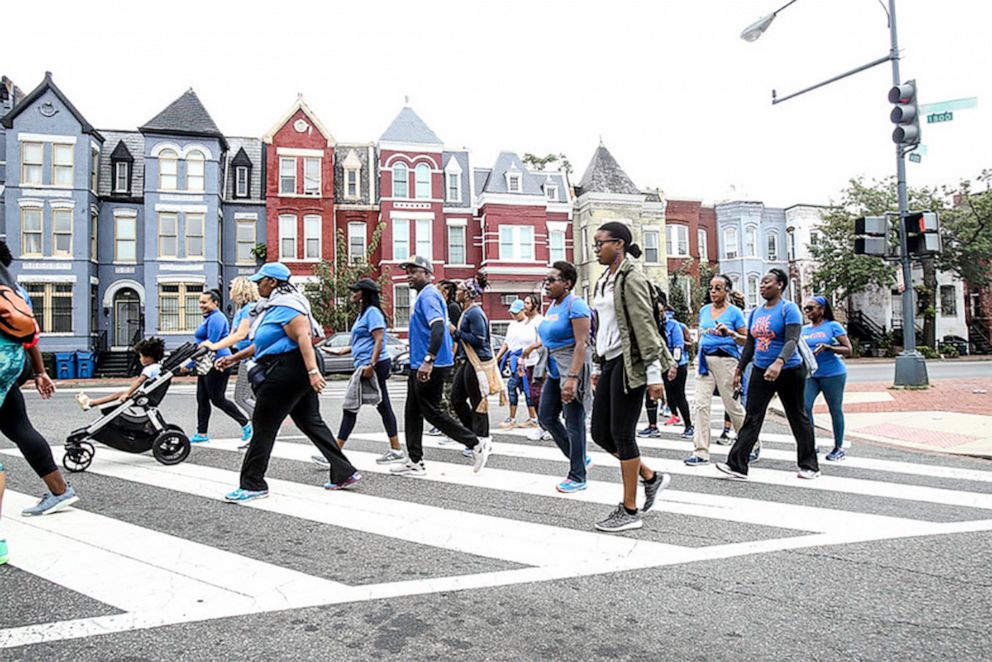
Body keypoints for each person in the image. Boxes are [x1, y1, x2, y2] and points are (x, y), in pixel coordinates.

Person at [216, 262, 360, 501]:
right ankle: (344, 472)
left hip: (289, 370)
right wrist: (233, 358)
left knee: (263, 425)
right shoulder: (273, 307)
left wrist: (313, 372)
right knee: (309, 421)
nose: (257, 284)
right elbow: (262, 344)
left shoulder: (287, 306)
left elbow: (303, 336)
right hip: (292, 368)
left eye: (260, 280)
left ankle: (253, 484)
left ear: (273, 282)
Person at [589, 223, 675, 533]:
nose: (596, 248)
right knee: (600, 433)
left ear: (620, 244)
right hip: (611, 362)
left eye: (601, 243)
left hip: (631, 366)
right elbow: (604, 330)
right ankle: (651, 477)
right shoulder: (604, 280)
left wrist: (654, 376)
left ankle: (629, 509)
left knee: (623, 435)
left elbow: (645, 329)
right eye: (595, 243)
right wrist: (598, 368)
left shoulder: (632, 279)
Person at [389, 255, 491, 476]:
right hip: (420, 363)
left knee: (431, 411)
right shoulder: (428, 296)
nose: (409, 275)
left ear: (427, 274)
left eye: (414, 271)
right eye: (407, 271)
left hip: (430, 365)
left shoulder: (429, 296)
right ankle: (415, 461)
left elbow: (437, 329)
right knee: (412, 412)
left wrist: (429, 360)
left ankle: (475, 442)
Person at [717, 268, 821, 481]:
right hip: (760, 370)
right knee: (752, 416)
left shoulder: (788, 309)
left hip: (789, 370)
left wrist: (779, 362)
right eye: (761, 284)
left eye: (767, 282)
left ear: (780, 285)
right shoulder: (756, 312)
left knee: (797, 416)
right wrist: (739, 370)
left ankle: (809, 465)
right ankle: (737, 465)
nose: (763, 286)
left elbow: (792, 339)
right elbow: (751, 343)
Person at [0, 238, 79, 518]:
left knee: (18, 426)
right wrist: (40, 371)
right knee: (18, 426)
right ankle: (60, 491)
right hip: (14, 365)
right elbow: (31, 335)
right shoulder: (16, 290)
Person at [312, 279, 403, 465]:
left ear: (364, 293)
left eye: (355, 291)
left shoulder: (373, 313)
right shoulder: (364, 314)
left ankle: (334, 454)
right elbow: (362, 343)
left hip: (372, 366)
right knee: (382, 405)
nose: (352, 294)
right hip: (367, 363)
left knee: (351, 407)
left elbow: (379, 340)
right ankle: (396, 450)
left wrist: (371, 364)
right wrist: (340, 351)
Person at [531, 261, 592, 494]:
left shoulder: (575, 305)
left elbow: (581, 343)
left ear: (567, 283)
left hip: (571, 370)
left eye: (552, 280)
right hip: (555, 371)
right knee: (546, 417)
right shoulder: (553, 306)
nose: (546, 284)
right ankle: (579, 457)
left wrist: (573, 378)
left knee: (574, 422)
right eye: (546, 280)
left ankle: (577, 475)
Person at [685, 275, 748, 466]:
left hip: (726, 360)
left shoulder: (735, 313)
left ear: (727, 290)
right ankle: (701, 452)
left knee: (732, 406)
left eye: (718, 288)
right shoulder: (704, 311)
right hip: (704, 361)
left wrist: (730, 333)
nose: (713, 291)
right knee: (701, 405)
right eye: (711, 288)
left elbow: (746, 340)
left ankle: (750, 444)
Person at [199, 277, 260, 447]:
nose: (230, 291)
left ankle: (260, 430)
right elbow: (234, 337)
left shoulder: (249, 310)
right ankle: (259, 431)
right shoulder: (241, 310)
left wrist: (214, 346)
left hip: (251, 358)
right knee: (251, 397)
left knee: (241, 397)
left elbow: (240, 335)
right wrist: (230, 359)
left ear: (240, 290)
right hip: (243, 356)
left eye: (232, 288)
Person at [185, 289, 251, 444]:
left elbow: (211, 344)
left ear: (215, 303)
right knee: (202, 398)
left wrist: (190, 363)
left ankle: (246, 424)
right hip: (205, 363)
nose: (201, 305)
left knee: (218, 399)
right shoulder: (208, 318)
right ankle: (201, 434)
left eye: (204, 302)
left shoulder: (217, 318)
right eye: (200, 302)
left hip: (217, 361)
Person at [802, 295, 852, 461]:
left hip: (833, 374)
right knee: (805, 406)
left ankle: (838, 447)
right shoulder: (804, 330)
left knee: (835, 409)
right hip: (811, 374)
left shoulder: (833, 326)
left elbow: (848, 349)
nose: (807, 311)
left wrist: (830, 347)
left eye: (811, 308)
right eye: (805, 308)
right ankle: (810, 444)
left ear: (822, 310)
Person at [450, 276, 496, 448]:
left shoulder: (475, 313)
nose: (457, 292)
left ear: (468, 294)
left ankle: (483, 439)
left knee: (478, 402)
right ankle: (473, 436)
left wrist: (457, 332)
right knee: (457, 398)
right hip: (467, 360)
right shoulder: (467, 312)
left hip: (477, 361)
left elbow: (479, 339)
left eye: (460, 289)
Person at [75, 337, 165, 410]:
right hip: (148, 396)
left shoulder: (149, 369)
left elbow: (139, 381)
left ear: (149, 357)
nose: (140, 359)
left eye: (141, 356)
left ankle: (91, 403)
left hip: (142, 397)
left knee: (118, 395)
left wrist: (128, 393)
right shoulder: (159, 367)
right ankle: (91, 402)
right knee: (119, 394)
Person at [495, 299, 539, 429]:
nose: (513, 315)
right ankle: (512, 418)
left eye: (516, 312)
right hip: (515, 360)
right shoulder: (512, 325)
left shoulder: (530, 324)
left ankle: (534, 418)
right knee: (511, 388)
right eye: (512, 312)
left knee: (528, 390)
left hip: (526, 360)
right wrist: (498, 357)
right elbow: (507, 343)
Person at [427, 279, 461, 438]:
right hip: (442, 356)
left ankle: (454, 427)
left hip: (451, 358)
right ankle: (445, 425)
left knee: (450, 393)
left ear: (445, 291)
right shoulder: (442, 307)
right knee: (440, 393)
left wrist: (451, 356)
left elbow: (454, 335)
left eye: (438, 288)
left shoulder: (452, 308)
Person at [659, 292, 694, 439]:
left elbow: (679, 346)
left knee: (679, 394)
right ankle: (674, 415)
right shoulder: (654, 325)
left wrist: (674, 366)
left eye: (661, 311)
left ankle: (688, 425)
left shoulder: (673, 325)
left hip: (678, 364)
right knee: (669, 392)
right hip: (663, 364)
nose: (660, 314)